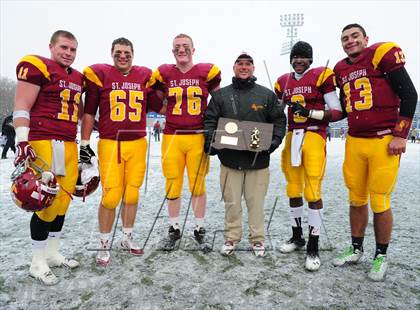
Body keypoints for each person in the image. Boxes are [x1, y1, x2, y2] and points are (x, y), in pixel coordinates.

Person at [333, 24, 418, 281]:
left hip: (383, 141)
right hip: (355, 141)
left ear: (365, 38)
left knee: (380, 199)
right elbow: (344, 108)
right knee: (356, 198)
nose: (350, 41)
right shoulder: (340, 69)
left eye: (354, 36)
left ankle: (381, 255)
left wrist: (401, 134)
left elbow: (410, 94)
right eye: (345, 38)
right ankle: (356, 248)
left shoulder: (381, 54)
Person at [81, 37, 162, 266]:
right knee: (112, 195)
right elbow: (88, 113)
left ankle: (127, 238)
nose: (122, 56)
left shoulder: (144, 76)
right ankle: (104, 243)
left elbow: (160, 106)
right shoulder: (100, 74)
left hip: (138, 143)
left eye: (126, 52)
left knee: (132, 193)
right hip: (110, 143)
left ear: (133, 54)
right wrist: (84, 144)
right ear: (112, 53)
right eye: (118, 52)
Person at [12, 30, 83, 285]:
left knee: (63, 201)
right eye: (64, 47)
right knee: (44, 201)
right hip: (44, 140)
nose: (68, 53)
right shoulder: (38, 66)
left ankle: (52, 253)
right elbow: (22, 105)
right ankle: (37, 261)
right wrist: (22, 139)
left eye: (73, 49)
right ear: (51, 46)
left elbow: (78, 112)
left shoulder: (78, 77)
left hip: (68, 142)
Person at [204, 53, 286, 257]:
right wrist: (211, 142)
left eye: (248, 64)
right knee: (232, 203)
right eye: (240, 64)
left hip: (257, 162)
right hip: (229, 160)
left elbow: (279, 121)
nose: (244, 67)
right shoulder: (220, 95)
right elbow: (210, 121)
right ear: (234, 68)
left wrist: (274, 142)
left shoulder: (266, 95)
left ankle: (257, 239)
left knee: (256, 203)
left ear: (253, 68)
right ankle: (231, 237)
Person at [274, 41, 343, 270]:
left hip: (314, 135)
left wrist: (309, 112)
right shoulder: (283, 81)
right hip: (292, 135)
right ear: (291, 59)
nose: (299, 60)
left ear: (311, 60)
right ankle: (297, 236)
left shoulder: (321, 75)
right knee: (293, 188)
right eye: (296, 56)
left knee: (312, 189)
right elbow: (275, 109)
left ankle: (313, 245)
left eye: (304, 57)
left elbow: (337, 111)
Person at [150, 33, 221, 246]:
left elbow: (217, 103)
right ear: (173, 51)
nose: (181, 50)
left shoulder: (207, 72)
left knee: (197, 185)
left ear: (193, 49)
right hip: (172, 137)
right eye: (177, 47)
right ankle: (174, 227)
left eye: (185, 46)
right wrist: (168, 112)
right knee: (172, 184)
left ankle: (199, 227)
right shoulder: (165, 73)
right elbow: (155, 100)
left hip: (197, 137)